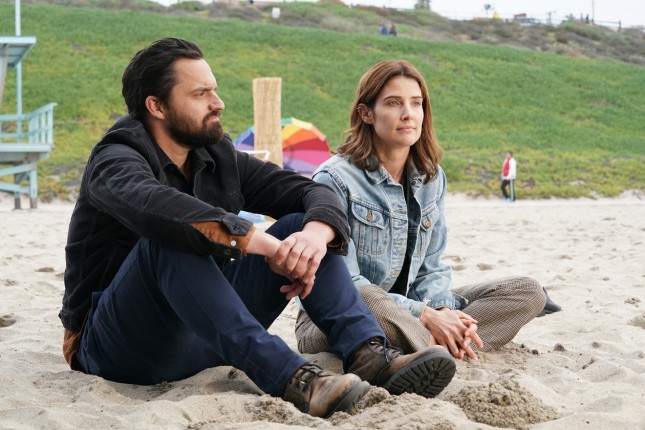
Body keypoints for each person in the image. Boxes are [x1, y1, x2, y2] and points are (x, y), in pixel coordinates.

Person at [59, 39, 457, 419]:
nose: (218, 102)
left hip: (209, 335)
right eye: (201, 94)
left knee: (299, 224)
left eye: (214, 90)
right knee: (171, 237)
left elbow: (310, 191)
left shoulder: (215, 155)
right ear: (157, 106)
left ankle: (370, 355)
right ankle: (296, 378)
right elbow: (156, 208)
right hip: (120, 347)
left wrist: (313, 236)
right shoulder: (115, 159)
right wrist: (261, 243)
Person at [295, 60, 555, 362]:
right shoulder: (335, 179)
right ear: (366, 113)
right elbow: (345, 284)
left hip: (410, 310)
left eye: (416, 103)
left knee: (528, 291)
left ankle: (428, 346)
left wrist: (442, 310)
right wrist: (425, 314)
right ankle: (436, 345)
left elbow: (431, 268)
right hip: (338, 316)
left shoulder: (431, 177)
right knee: (367, 297)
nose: (408, 113)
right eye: (394, 103)